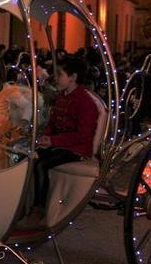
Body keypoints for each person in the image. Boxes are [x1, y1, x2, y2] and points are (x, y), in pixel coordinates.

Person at [18, 57, 98, 229]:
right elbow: (52, 124)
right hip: (59, 145)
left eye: (60, 74)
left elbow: (83, 136)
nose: (56, 78)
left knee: (41, 164)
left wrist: (53, 141)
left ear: (73, 77)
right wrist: (46, 138)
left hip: (76, 149)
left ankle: (38, 211)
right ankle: (21, 206)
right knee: (26, 157)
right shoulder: (62, 96)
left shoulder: (85, 102)